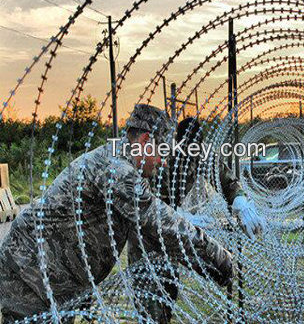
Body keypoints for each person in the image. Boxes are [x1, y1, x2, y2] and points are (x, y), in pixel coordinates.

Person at [0, 104, 233, 324]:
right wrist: (221, 260)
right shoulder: (118, 170)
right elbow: (160, 223)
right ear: (145, 141)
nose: (163, 162)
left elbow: (155, 231)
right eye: (162, 152)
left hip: (55, 280)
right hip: (30, 275)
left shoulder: (124, 164)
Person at [127, 116, 266, 323]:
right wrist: (181, 216)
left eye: (196, 146)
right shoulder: (160, 156)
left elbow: (226, 180)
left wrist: (239, 201)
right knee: (150, 301)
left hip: (171, 238)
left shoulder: (201, 155)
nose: (192, 152)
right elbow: (146, 201)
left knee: (168, 291)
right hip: (146, 237)